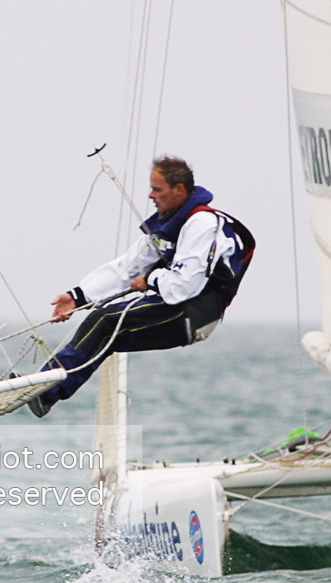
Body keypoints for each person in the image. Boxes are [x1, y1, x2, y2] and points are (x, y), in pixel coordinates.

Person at [29, 156, 253, 417]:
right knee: (102, 332)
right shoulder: (172, 224)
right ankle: (46, 393)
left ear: (179, 190)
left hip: (193, 313)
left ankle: (45, 389)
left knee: (105, 321)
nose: (150, 195)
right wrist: (77, 297)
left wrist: (151, 279)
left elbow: (181, 287)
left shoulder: (201, 225)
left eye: (157, 189)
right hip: (178, 307)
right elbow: (128, 268)